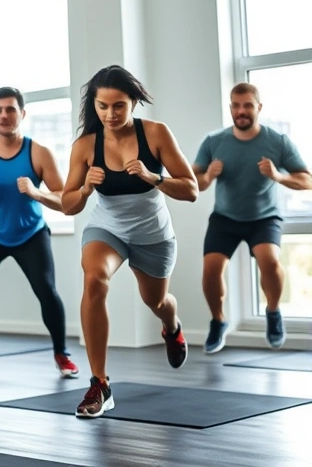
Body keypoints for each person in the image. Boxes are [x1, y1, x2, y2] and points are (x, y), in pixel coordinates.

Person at [62, 66, 197, 419]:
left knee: (157, 301)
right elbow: (67, 205)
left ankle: (171, 325)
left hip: (152, 235)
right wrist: (85, 189)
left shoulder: (155, 134)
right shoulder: (85, 146)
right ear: (94, 105)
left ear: (133, 102)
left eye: (118, 105)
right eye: (103, 106)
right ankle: (100, 384)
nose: (110, 114)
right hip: (108, 229)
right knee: (94, 279)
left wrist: (154, 177)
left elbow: (191, 189)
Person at [0, 87, 78, 377]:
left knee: (47, 291)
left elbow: (65, 201)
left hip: (31, 234)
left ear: (22, 113)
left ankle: (62, 354)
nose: (4, 115)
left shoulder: (39, 153)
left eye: (10, 109)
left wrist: (36, 193)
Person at [194, 83, 310, 353]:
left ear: (259, 107)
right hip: (225, 217)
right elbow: (192, 182)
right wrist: (208, 176)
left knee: (270, 261)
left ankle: (273, 312)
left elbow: (307, 180)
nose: (241, 111)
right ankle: (218, 321)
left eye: (247, 105)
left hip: (264, 218)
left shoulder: (277, 141)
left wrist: (278, 176)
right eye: (236, 105)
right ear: (230, 108)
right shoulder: (214, 142)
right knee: (211, 269)